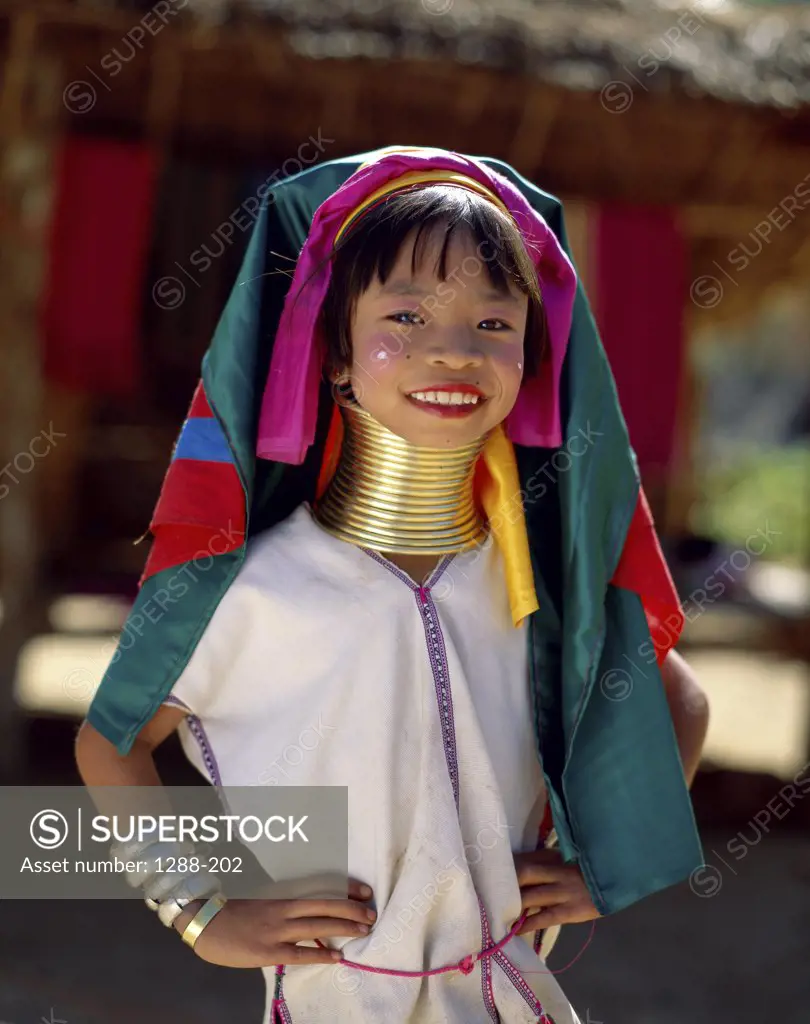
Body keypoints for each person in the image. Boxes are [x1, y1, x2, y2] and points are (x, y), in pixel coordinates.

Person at [75, 147, 709, 1023]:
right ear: (332, 352)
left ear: (534, 358)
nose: (452, 353)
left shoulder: (543, 585)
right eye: (406, 317)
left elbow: (680, 698)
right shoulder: (249, 590)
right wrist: (200, 912)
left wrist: (606, 866)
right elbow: (109, 741)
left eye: (495, 325)